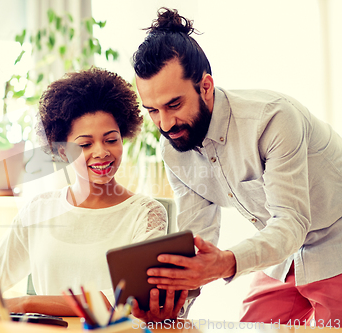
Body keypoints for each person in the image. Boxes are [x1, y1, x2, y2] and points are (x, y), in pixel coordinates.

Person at [131, 7, 342, 324]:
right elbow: (198, 237)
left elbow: (292, 221)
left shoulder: (272, 119)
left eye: (174, 104)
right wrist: (174, 303)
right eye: (153, 110)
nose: (165, 123)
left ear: (205, 86)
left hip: (335, 244)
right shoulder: (174, 151)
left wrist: (225, 263)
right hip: (282, 257)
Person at [0, 67, 177, 318]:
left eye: (111, 139)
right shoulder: (38, 210)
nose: (101, 152)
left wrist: (26, 304)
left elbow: (121, 299)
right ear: (63, 152)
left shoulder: (146, 214)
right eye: (85, 144)